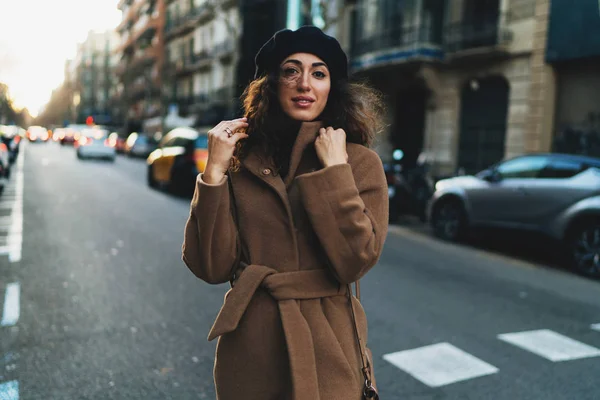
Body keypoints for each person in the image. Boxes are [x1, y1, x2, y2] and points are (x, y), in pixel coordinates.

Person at [182, 25, 388, 400]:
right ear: (273, 83)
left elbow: (354, 262)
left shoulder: (358, 162)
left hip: (329, 352)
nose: (304, 83)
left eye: (319, 73)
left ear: (332, 88)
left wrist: (335, 172)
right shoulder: (239, 159)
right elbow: (210, 266)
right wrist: (212, 174)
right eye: (291, 70)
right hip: (251, 352)